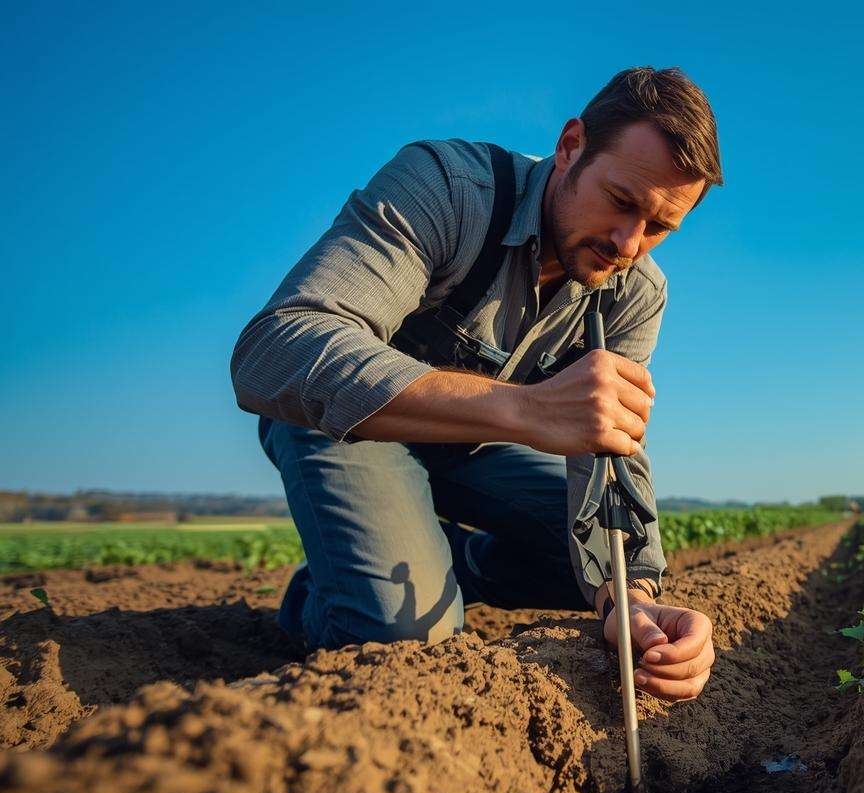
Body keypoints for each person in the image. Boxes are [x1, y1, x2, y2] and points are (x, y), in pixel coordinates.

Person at [230, 67, 720, 701]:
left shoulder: (636, 290)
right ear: (571, 145)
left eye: (659, 227)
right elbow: (276, 348)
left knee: (606, 567)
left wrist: (632, 598)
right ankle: (326, 594)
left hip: (477, 451)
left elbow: (610, 452)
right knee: (403, 642)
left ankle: (460, 564)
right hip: (349, 429)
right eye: (622, 201)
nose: (630, 243)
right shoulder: (447, 187)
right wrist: (520, 408)